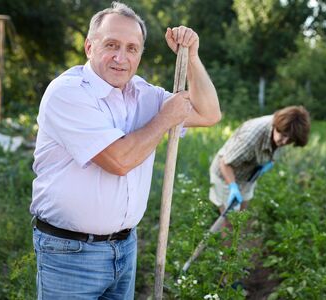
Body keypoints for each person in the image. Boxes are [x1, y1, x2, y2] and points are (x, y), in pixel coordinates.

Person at [30, 2, 220, 298]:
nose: (121, 57)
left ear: (140, 55)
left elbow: (209, 113)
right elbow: (119, 160)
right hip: (71, 253)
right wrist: (165, 119)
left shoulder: (143, 93)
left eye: (132, 48)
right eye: (111, 45)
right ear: (89, 47)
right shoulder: (67, 93)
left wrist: (192, 58)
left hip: (125, 248)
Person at [209, 106, 310, 229]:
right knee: (230, 221)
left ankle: (235, 245)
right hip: (226, 175)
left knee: (241, 216)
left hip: (248, 175)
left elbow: (277, 145)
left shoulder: (285, 128)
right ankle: (225, 248)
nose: (284, 142)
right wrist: (233, 187)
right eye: (283, 135)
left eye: (290, 140)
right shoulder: (251, 137)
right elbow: (224, 163)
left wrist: (268, 162)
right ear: (277, 126)